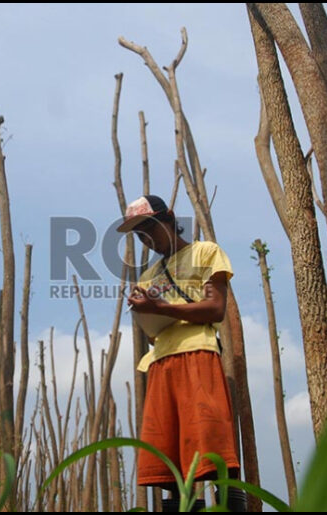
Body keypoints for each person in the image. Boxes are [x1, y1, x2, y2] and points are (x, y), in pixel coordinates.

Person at [117, 194, 247, 512]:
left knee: (212, 439)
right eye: (139, 235)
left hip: (197, 355)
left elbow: (216, 309)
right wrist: (146, 311)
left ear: (169, 218)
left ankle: (230, 504)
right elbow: (153, 331)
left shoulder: (206, 252)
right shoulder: (147, 277)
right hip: (161, 362)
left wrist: (160, 306)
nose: (147, 239)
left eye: (150, 228)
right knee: (168, 453)